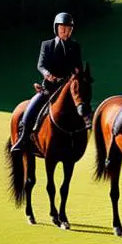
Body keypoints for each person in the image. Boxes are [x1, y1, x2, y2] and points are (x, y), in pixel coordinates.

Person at [12, 13, 84, 153]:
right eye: (62, 28)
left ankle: (81, 141)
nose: (66, 31)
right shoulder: (47, 45)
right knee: (31, 110)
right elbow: (41, 65)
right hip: (50, 87)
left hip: (68, 88)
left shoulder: (75, 46)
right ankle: (23, 139)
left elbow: (78, 67)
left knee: (83, 106)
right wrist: (48, 75)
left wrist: (77, 71)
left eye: (69, 28)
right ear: (56, 28)